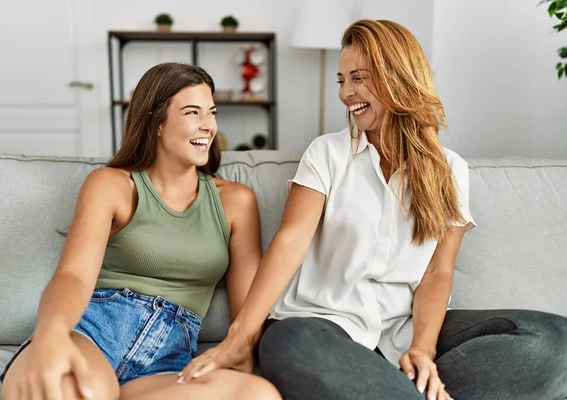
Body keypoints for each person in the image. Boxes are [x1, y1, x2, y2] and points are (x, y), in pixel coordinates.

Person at [178, 19, 567, 400]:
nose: (346, 92)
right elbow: (291, 241)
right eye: (341, 80)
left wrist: (422, 350)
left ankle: (391, 384)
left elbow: (437, 270)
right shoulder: (327, 153)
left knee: (553, 340)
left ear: (398, 76)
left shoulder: (449, 169)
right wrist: (241, 335)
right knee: (289, 340)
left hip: (405, 329)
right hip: (323, 328)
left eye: (358, 77)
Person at [0, 62, 281, 400]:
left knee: (258, 395)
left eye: (212, 112)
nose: (208, 125)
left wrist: (243, 359)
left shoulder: (236, 202)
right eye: (193, 112)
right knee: (85, 391)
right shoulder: (111, 185)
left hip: (167, 361)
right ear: (156, 122)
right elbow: (73, 275)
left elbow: (246, 314)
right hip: (92, 334)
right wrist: (50, 334)